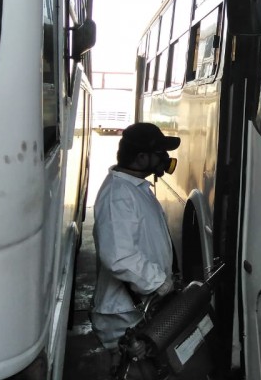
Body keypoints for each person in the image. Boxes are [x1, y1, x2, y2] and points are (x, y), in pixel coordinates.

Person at [90, 122, 180, 372]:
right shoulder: (118, 195)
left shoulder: (135, 187)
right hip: (123, 315)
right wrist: (158, 282)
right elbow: (118, 257)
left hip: (137, 309)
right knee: (134, 371)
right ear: (141, 158)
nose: (164, 158)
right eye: (158, 153)